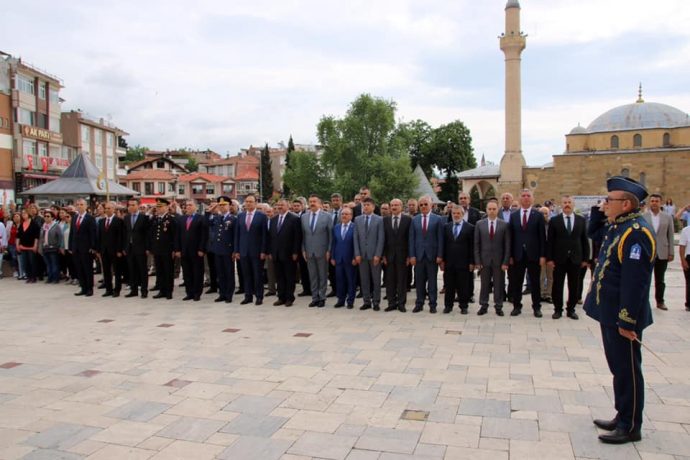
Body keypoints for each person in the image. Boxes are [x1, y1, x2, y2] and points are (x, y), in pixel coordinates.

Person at [584, 176, 655, 444]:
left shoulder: (636, 232)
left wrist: (627, 320)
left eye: (609, 200)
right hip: (610, 313)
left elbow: (635, 283)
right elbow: (594, 233)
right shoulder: (619, 227)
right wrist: (598, 211)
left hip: (622, 317)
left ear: (625, 204)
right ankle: (621, 414)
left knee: (628, 371)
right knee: (619, 369)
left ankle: (630, 425)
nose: (605, 204)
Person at [546, 196, 589, 320]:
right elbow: (550, 241)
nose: (567, 205)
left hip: (576, 259)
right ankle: (557, 309)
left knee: (574, 285)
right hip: (559, 259)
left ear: (573, 204)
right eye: (565, 202)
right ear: (561, 204)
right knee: (557, 285)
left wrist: (585, 259)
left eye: (569, 202)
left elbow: (584, 240)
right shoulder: (555, 221)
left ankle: (571, 309)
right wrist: (550, 259)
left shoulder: (581, 220)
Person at [507, 189, 546, 317]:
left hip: (534, 255)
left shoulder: (538, 215)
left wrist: (542, 255)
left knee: (535, 283)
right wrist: (510, 256)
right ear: (519, 198)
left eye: (528, 196)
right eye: (523, 195)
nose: (526, 198)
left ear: (532, 198)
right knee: (516, 282)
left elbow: (542, 237)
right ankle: (517, 306)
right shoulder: (513, 216)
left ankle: (536, 307)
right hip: (517, 255)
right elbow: (511, 237)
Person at [474, 199, 510, 316]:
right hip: (484, 260)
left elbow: (507, 245)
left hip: (499, 260)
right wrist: (477, 261)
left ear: (497, 209)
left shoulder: (504, 224)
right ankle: (483, 305)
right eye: (489, 209)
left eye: (494, 209)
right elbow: (476, 244)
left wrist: (505, 261)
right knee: (484, 284)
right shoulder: (480, 224)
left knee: (499, 284)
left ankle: (498, 306)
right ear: (486, 210)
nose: (492, 211)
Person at [409, 195, 444, 313]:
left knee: (432, 281)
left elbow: (440, 239)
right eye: (421, 205)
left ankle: (433, 304)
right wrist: (412, 255)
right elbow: (411, 239)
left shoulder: (438, 219)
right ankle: (419, 303)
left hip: (432, 256)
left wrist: (440, 255)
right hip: (418, 256)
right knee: (419, 281)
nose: (423, 206)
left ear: (431, 205)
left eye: (425, 204)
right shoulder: (414, 219)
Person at [234, 194, 268, 305]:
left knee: (257, 275)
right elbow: (237, 235)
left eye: (250, 201)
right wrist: (237, 250)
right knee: (246, 274)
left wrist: (263, 250)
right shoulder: (240, 216)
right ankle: (248, 296)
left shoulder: (261, 216)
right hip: (243, 251)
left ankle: (259, 296)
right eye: (246, 201)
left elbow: (264, 235)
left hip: (257, 251)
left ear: (255, 203)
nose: (248, 203)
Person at [643, 194, 675, 311]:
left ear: (660, 203)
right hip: (647, 252)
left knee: (660, 279)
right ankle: (643, 301)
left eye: (656, 201)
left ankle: (660, 301)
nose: (654, 203)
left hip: (662, 252)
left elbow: (670, 235)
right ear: (649, 203)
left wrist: (671, 252)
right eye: (652, 201)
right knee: (645, 279)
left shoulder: (667, 217)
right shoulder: (644, 217)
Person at [267, 199, 301, 307]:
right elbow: (271, 237)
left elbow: (297, 237)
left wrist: (296, 252)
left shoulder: (294, 219)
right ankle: (281, 297)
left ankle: (289, 298)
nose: (280, 207)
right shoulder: (273, 219)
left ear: (288, 206)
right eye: (278, 205)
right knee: (279, 276)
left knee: (289, 276)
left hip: (289, 253)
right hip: (276, 253)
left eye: (282, 205)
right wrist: (271, 252)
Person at [301, 194, 333, 308]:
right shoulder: (304, 217)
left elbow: (330, 235)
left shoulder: (327, 216)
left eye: (314, 201)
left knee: (322, 275)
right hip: (309, 251)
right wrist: (303, 249)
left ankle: (322, 297)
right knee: (313, 275)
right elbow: (303, 235)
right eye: (310, 201)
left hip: (322, 250)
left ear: (319, 203)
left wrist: (329, 250)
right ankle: (314, 297)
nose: (312, 203)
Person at [441, 205, 475, 314]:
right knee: (449, 285)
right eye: (454, 213)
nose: (456, 215)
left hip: (463, 263)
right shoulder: (446, 227)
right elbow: (443, 245)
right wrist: (442, 261)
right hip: (449, 262)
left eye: (458, 213)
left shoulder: (470, 228)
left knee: (463, 286)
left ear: (463, 214)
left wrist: (471, 262)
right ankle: (448, 306)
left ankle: (463, 306)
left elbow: (472, 246)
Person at [353, 197, 385, 311]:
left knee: (376, 280)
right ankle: (366, 301)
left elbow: (381, 238)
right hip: (362, 255)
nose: (365, 207)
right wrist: (356, 254)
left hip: (374, 255)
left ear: (373, 206)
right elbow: (355, 238)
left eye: (368, 205)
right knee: (364, 279)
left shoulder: (379, 220)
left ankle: (376, 301)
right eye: (364, 205)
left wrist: (378, 254)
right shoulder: (357, 219)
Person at [383, 199, 412, 312]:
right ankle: (391, 303)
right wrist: (383, 255)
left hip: (403, 256)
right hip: (389, 256)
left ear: (401, 206)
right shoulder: (385, 220)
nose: (394, 207)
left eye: (396, 205)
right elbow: (383, 239)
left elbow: (410, 239)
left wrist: (409, 255)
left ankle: (401, 303)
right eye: (392, 205)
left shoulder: (408, 220)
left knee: (402, 281)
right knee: (390, 281)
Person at [176, 200, 207, 301]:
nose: (188, 207)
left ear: (196, 207)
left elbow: (204, 235)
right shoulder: (182, 219)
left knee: (197, 272)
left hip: (196, 251)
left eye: (190, 205)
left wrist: (202, 249)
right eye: (186, 205)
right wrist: (177, 249)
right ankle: (189, 293)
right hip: (184, 251)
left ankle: (197, 293)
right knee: (187, 273)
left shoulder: (201, 218)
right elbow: (178, 235)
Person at [208, 196, 236, 304]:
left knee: (229, 273)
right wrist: (210, 210)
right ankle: (222, 293)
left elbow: (234, 236)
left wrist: (234, 250)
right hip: (218, 249)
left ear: (229, 206)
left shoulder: (233, 219)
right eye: (220, 205)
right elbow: (207, 222)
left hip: (228, 250)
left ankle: (229, 294)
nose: (222, 207)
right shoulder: (217, 218)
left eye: (224, 205)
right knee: (220, 273)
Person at [97, 202, 126, 297]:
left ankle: (117, 290)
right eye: (106, 208)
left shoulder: (118, 221)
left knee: (117, 271)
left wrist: (119, 250)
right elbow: (100, 237)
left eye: (109, 208)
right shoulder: (101, 221)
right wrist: (99, 250)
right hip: (104, 251)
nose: (107, 210)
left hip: (115, 251)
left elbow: (121, 237)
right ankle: (108, 289)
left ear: (114, 209)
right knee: (106, 271)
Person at [150, 198, 177, 300]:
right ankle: (162, 290)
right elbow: (152, 234)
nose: (158, 208)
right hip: (157, 249)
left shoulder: (170, 219)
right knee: (160, 271)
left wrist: (174, 249)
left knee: (168, 271)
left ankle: (169, 291)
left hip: (167, 250)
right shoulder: (155, 219)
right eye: (157, 206)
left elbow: (174, 235)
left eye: (160, 206)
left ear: (166, 207)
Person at [330, 207, 356, 309]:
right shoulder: (336, 227)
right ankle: (340, 300)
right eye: (342, 214)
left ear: (351, 216)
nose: (344, 216)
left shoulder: (355, 227)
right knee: (340, 280)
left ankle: (350, 301)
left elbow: (356, 244)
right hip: (338, 258)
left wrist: (355, 257)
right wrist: (332, 257)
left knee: (351, 280)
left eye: (346, 214)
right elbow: (334, 243)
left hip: (350, 259)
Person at [70, 199, 97, 296]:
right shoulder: (74, 217)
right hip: (76, 248)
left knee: (87, 269)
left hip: (86, 248)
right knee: (79, 269)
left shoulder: (90, 218)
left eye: (81, 204)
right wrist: (71, 247)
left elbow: (93, 233)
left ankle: (89, 289)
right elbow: (72, 233)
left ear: (86, 206)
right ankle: (83, 287)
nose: (79, 206)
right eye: (77, 204)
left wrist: (93, 246)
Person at [124, 199, 150, 298]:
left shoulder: (144, 218)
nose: (130, 207)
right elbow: (125, 233)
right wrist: (125, 247)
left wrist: (147, 247)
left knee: (142, 270)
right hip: (130, 248)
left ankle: (144, 290)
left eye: (133, 205)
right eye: (129, 205)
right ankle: (133, 290)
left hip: (141, 248)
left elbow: (147, 234)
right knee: (132, 269)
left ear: (138, 206)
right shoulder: (126, 218)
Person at [38, 210, 63, 284]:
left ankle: (56, 278)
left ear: (52, 217)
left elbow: (60, 237)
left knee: (54, 264)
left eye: (48, 216)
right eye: (45, 216)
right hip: (45, 247)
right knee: (48, 264)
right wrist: (40, 248)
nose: (46, 218)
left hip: (53, 248)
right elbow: (41, 238)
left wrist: (58, 246)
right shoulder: (43, 226)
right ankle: (50, 277)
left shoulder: (56, 225)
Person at [539, 206, 554, 303]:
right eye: (542, 213)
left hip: (551, 254)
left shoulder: (552, 224)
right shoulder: (537, 224)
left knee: (550, 276)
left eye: (546, 213)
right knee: (541, 276)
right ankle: (541, 293)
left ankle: (548, 294)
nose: (544, 215)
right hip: (541, 255)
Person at [679, 222, 690, 312]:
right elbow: (682, 246)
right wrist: (683, 260)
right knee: (689, 282)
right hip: (689, 258)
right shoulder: (686, 230)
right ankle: (689, 304)